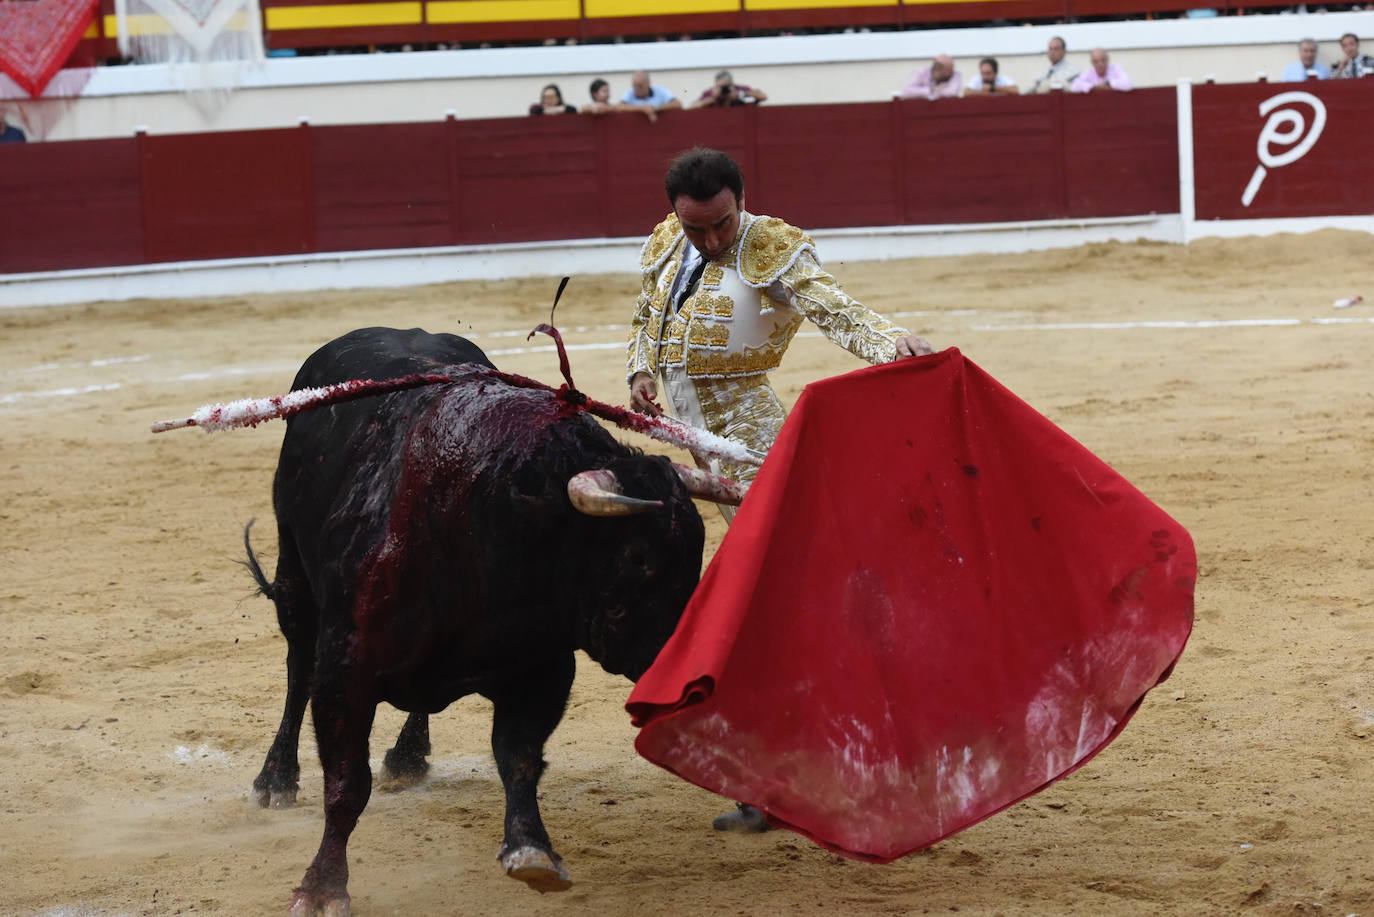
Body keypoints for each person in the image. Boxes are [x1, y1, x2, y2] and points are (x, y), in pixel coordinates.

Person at [626, 148, 934, 832]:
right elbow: (648, 312)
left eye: (721, 226)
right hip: (700, 440)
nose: (710, 241)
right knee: (767, 600)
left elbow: (837, 310)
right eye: (695, 229)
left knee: (776, 604)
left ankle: (796, 767)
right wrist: (641, 373)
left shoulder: (772, 248)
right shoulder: (669, 241)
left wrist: (894, 345)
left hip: (752, 443)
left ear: (742, 200)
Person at [617, 70, 682, 122]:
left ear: (648, 83)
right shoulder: (630, 92)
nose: (636, 89)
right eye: (634, 86)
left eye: (640, 86)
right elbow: (618, 107)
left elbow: (677, 104)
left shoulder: (661, 90)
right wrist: (642, 108)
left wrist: (656, 109)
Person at [689, 70, 767, 108]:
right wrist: (713, 98)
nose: (723, 89)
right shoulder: (710, 93)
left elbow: (763, 96)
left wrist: (740, 94)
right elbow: (692, 107)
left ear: (732, 84)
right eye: (720, 86)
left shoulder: (740, 90)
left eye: (726, 86)